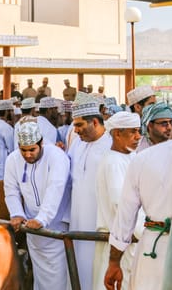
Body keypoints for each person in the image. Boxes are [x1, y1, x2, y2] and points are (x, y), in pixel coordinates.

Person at [4, 122, 70, 290]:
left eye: (32, 150)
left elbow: (55, 188)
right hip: (32, 228)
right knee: (40, 275)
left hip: (56, 227)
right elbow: (11, 190)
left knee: (60, 276)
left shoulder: (56, 157)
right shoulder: (13, 159)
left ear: (41, 143)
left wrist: (43, 218)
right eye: (23, 150)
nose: (27, 155)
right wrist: (17, 214)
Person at [104, 139, 172, 290]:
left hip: (154, 250)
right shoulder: (142, 159)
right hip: (154, 250)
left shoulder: (144, 158)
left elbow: (125, 216)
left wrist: (114, 262)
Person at [93, 111, 144, 290]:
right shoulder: (113, 163)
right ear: (117, 133)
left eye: (139, 131)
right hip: (123, 244)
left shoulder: (130, 156)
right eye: (132, 132)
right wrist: (145, 232)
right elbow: (122, 206)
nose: (138, 136)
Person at [68, 92, 112, 290]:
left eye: (79, 125)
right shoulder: (78, 143)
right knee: (77, 263)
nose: (75, 130)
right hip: (77, 218)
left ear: (94, 121)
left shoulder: (111, 145)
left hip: (99, 222)